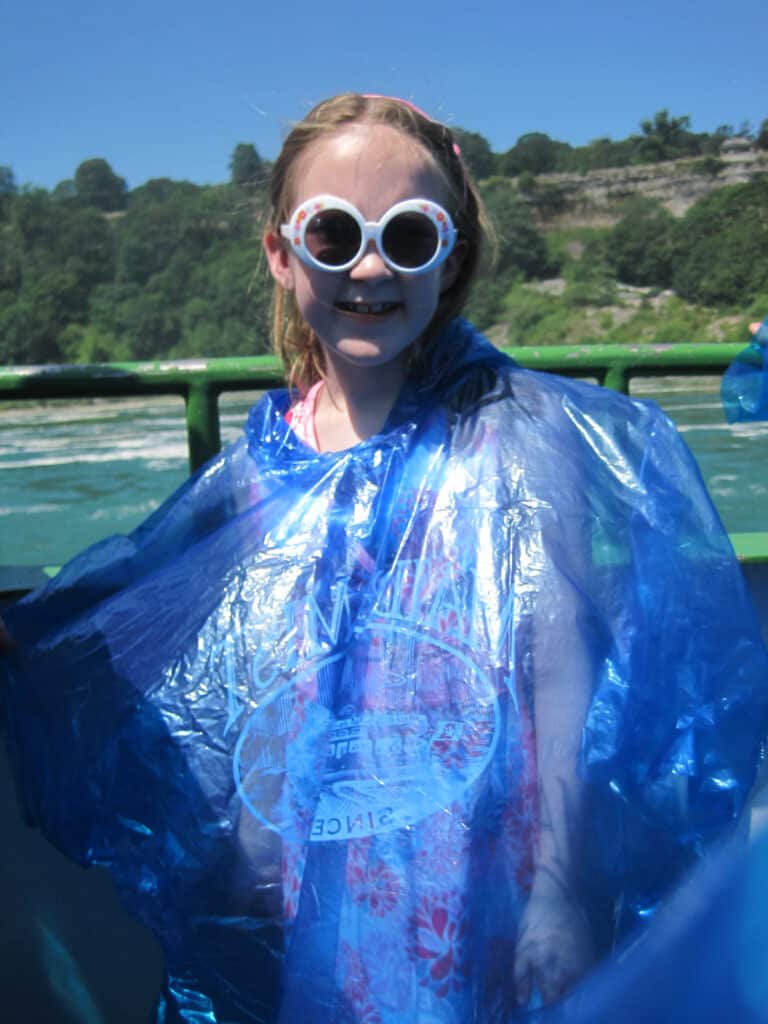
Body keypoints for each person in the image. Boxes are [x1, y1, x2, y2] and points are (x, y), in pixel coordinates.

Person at [1, 93, 767, 1024]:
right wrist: (251, 832)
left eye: (406, 235)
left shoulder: (519, 438)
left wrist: (557, 895)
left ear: (449, 259)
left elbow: (561, 673)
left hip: (487, 856)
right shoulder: (264, 457)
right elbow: (242, 653)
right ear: (282, 256)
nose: (369, 266)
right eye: (332, 233)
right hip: (326, 856)